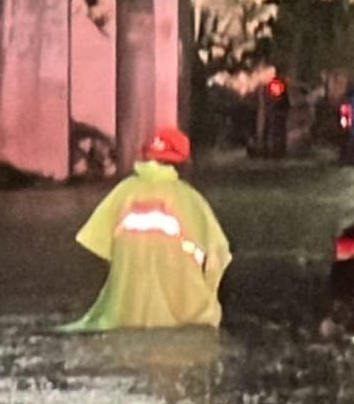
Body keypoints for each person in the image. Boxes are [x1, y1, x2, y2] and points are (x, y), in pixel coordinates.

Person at [64, 126, 231, 331]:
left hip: (124, 310)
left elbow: (100, 245)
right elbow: (218, 255)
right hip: (180, 312)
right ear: (182, 164)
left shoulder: (123, 192)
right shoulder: (190, 200)